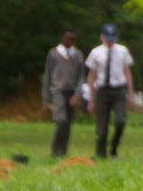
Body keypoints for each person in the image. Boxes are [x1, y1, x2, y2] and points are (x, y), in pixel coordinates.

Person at [85, 23, 134, 158]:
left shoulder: (123, 51)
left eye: (113, 38)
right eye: (107, 38)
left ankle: (113, 148)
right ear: (101, 37)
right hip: (102, 90)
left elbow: (127, 71)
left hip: (118, 90)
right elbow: (91, 75)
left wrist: (130, 92)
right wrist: (90, 98)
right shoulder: (95, 52)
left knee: (120, 120)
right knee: (102, 126)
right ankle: (100, 154)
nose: (110, 42)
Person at [42, 27, 85, 157]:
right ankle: (55, 150)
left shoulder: (78, 55)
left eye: (74, 39)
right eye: (69, 38)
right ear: (62, 38)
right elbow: (47, 75)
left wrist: (77, 95)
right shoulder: (53, 53)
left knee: (68, 124)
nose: (72, 41)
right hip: (57, 90)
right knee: (60, 120)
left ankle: (63, 152)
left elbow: (81, 76)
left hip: (71, 91)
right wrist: (45, 99)